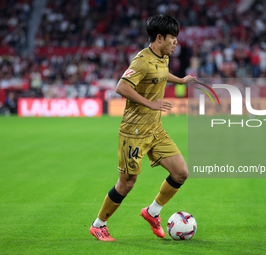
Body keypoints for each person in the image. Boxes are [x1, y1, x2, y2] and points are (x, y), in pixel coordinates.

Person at [90, 14, 196, 241]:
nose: (176, 42)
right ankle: (99, 224)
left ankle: (152, 212)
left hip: (155, 129)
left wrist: (180, 80)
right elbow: (122, 87)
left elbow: (160, 74)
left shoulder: (163, 57)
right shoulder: (140, 61)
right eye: (172, 38)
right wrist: (151, 103)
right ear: (159, 38)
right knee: (127, 183)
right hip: (134, 132)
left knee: (181, 172)